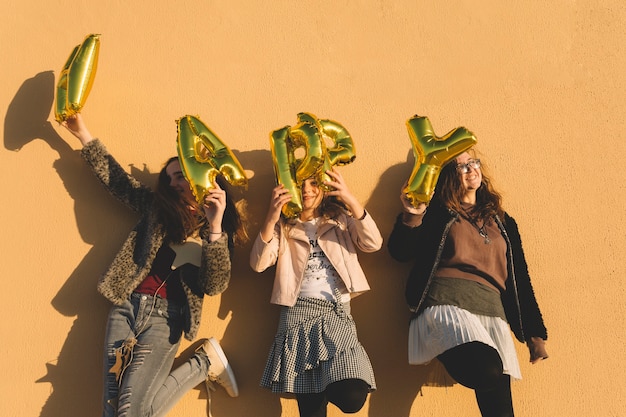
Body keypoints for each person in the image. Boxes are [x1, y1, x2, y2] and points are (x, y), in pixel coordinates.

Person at [61, 114, 247, 417]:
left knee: (128, 412)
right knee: (114, 408)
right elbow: (117, 181)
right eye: (169, 178)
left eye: (180, 175)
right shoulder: (156, 207)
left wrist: (214, 228)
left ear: (199, 175)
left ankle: (202, 365)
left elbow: (215, 284)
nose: (173, 182)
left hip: (167, 319)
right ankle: (204, 364)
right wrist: (82, 134)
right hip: (126, 308)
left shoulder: (218, 229)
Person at [388, 150, 549, 417]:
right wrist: (412, 215)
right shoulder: (437, 211)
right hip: (446, 308)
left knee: (501, 411)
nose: (471, 169)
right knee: (487, 370)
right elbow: (400, 252)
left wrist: (534, 335)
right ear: (447, 176)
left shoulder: (504, 222)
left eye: (473, 162)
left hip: (492, 316)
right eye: (460, 166)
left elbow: (520, 278)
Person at [250, 168, 382, 417]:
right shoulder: (284, 225)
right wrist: (272, 215)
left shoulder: (340, 218)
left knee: (352, 396)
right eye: (300, 184)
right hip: (297, 315)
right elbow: (258, 264)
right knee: (311, 411)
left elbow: (373, 243)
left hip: (337, 313)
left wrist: (349, 198)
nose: (307, 189)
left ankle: (327, 383)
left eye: (313, 183)